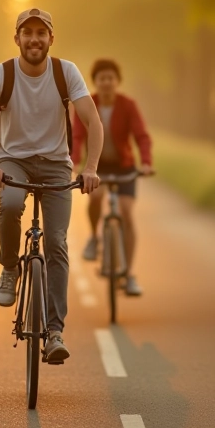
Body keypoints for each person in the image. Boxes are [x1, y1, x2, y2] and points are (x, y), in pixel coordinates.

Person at [0, 8, 103, 365]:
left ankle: (55, 331)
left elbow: (92, 120)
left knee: (58, 242)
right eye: (27, 33)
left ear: (50, 39)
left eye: (40, 33)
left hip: (56, 164)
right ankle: (10, 267)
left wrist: (90, 168)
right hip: (13, 160)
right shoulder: (0, 75)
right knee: (11, 204)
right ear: (16, 38)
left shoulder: (66, 72)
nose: (34, 39)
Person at [71, 59, 153, 297]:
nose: (106, 82)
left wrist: (146, 162)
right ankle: (94, 238)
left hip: (125, 167)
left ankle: (127, 274)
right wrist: (74, 161)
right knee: (95, 197)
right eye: (101, 78)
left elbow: (141, 136)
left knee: (126, 213)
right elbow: (77, 135)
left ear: (118, 81)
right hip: (96, 166)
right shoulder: (87, 104)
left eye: (111, 78)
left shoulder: (128, 105)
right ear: (95, 82)